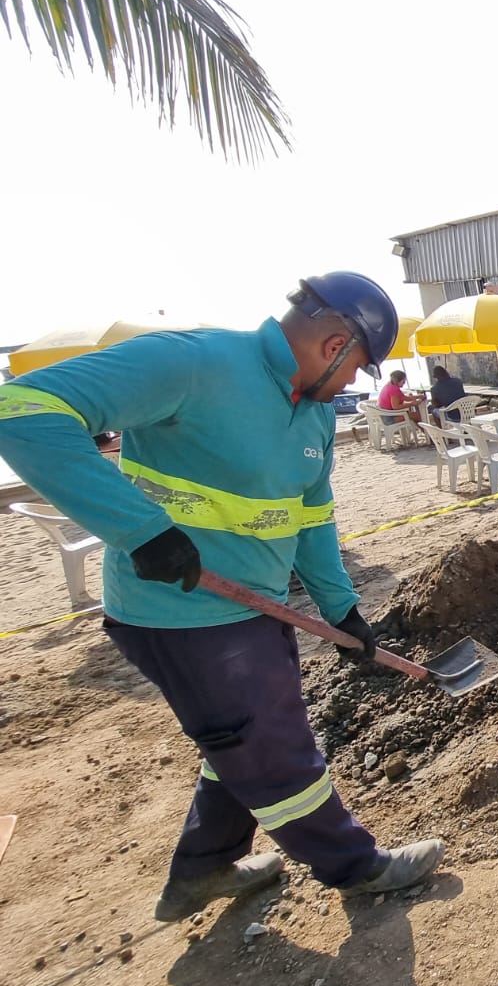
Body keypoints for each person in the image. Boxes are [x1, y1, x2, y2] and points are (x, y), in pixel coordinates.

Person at [0, 272, 445, 921]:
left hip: (255, 607)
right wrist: (139, 529)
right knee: (270, 744)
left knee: (239, 739)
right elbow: (22, 411)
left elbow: (311, 517)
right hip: (180, 615)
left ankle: (204, 871)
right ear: (333, 343)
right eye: (360, 366)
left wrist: (340, 607)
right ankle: (355, 866)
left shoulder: (315, 414)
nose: (356, 385)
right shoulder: (192, 362)